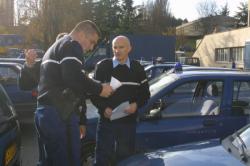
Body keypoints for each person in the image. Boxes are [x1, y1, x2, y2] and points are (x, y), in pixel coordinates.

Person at [35, 20, 113, 166]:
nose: (91, 47)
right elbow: (73, 77)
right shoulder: (72, 44)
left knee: (50, 161)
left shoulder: (55, 47)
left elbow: (75, 87)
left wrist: (81, 119)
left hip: (46, 113)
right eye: (91, 42)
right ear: (82, 34)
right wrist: (100, 88)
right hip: (59, 114)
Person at [91, 35, 150, 165]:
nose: (117, 50)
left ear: (129, 48)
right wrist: (103, 108)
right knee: (103, 159)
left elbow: (145, 94)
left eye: (121, 47)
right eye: (115, 47)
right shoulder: (102, 66)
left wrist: (136, 105)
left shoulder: (137, 68)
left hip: (128, 123)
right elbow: (93, 94)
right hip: (107, 123)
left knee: (126, 159)